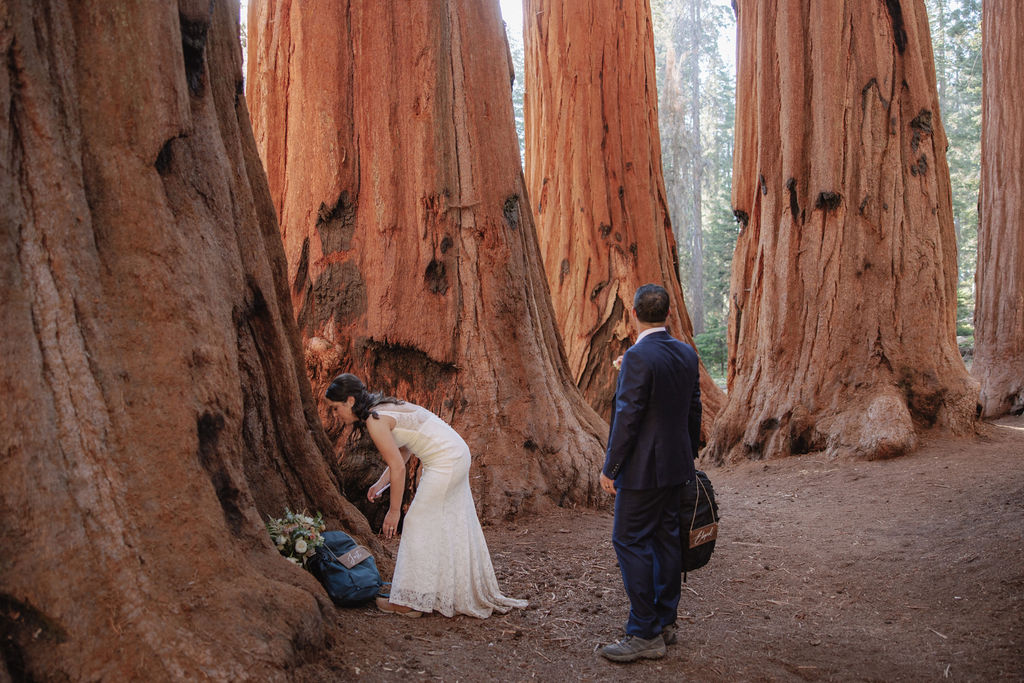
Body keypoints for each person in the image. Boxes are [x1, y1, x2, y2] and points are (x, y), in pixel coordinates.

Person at [325, 373, 527, 618]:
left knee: (415, 523)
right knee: (440, 524)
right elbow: (406, 447)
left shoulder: (374, 420)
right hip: (456, 453)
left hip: (446, 462)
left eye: (336, 408)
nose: (336, 414)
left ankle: (408, 602)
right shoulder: (384, 407)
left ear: (349, 401)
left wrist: (394, 511)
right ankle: (433, 590)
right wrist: (381, 484)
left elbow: (399, 467)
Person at [598, 284, 702, 662]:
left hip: (643, 471)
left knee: (628, 540)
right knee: (666, 540)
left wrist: (611, 467)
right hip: (677, 464)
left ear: (634, 317)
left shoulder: (638, 356)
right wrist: (688, 454)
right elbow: (693, 410)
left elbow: (628, 418)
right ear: (668, 315)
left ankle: (643, 631)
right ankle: (665, 621)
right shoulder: (686, 354)